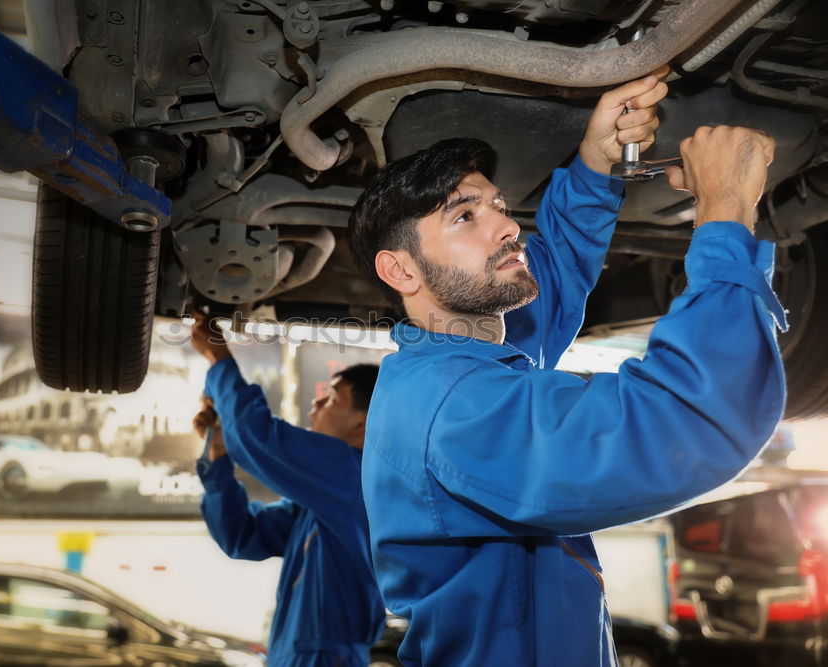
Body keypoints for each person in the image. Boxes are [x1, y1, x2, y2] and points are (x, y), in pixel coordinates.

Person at [347, 68, 786, 666]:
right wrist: (726, 214)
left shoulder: (458, 358)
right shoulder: (455, 409)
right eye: (464, 217)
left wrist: (596, 160)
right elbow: (690, 420)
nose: (506, 223)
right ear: (400, 272)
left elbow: (547, 283)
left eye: (498, 206)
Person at [190, 317, 386, 667]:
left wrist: (219, 360)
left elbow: (256, 436)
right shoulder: (319, 506)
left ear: (363, 423)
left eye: (330, 399)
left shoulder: (355, 477)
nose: (314, 405)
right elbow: (241, 537)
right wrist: (219, 453)